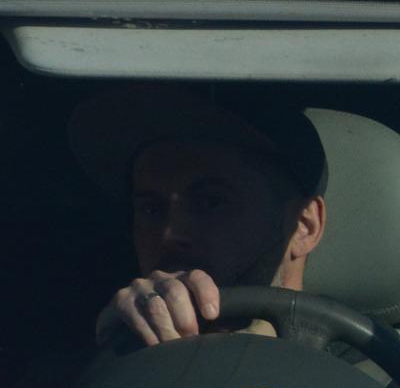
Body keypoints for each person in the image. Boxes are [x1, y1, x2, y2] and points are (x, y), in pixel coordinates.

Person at [68, 86, 329, 349]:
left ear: (305, 227)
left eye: (211, 202)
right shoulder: (76, 373)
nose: (170, 234)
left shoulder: (359, 380)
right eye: (151, 209)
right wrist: (115, 360)